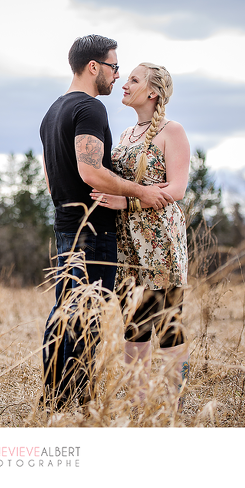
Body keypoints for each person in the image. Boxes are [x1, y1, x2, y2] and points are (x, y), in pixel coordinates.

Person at [39, 37, 173, 410]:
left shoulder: (52, 112)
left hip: (66, 226)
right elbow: (90, 170)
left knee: (65, 311)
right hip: (93, 230)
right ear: (94, 67)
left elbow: (51, 178)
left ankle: (54, 399)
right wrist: (141, 193)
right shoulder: (90, 109)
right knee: (88, 317)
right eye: (115, 67)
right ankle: (76, 400)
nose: (117, 76)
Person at [90, 62, 191, 408]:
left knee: (167, 322)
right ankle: (139, 402)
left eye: (132, 79)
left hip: (160, 242)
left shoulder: (171, 131)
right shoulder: (125, 136)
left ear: (152, 92)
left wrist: (126, 203)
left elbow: (175, 190)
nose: (124, 83)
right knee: (134, 321)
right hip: (128, 243)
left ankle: (172, 403)